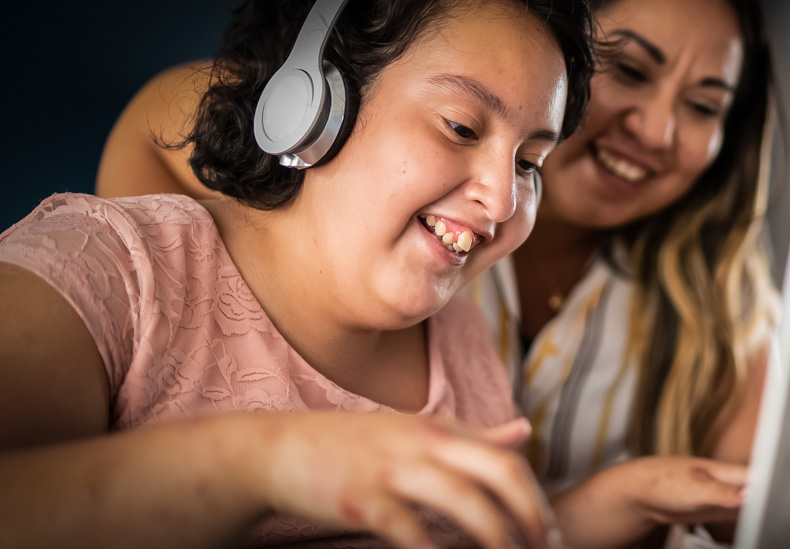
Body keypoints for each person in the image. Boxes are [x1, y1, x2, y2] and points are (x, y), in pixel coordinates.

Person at [98, 0, 779, 546]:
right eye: (629, 70)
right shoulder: (131, 261)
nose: (658, 130)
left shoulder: (715, 295)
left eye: (703, 107)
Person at [0, 0, 595, 548]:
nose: (503, 202)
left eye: (528, 163)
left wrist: (595, 513)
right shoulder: (108, 264)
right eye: (461, 128)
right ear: (311, 107)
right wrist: (270, 464)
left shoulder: (465, 343)